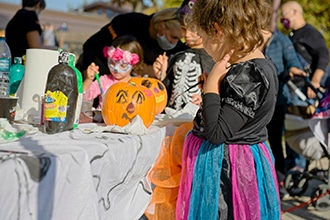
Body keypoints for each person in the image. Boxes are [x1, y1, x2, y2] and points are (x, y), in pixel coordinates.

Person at [176, 0, 281, 219]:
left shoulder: (250, 75)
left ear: (217, 30)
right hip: (226, 167)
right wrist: (213, 91)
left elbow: (217, 133)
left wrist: (213, 85)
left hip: (229, 174)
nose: (203, 44)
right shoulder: (244, 69)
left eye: (204, 37)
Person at [261, 23, 307, 197]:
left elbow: (292, 60)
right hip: (257, 100)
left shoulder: (281, 40)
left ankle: (279, 180)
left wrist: (294, 69)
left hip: (277, 99)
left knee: (276, 142)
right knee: (261, 142)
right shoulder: (251, 39)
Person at [76, 8, 188, 78]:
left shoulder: (177, 48)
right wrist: (88, 73)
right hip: (96, 73)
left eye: (179, 39)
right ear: (161, 25)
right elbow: (92, 44)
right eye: (173, 37)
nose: (174, 42)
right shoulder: (128, 22)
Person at [152, 0, 214, 111]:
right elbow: (167, 91)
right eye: (183, 28)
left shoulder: (212, 58)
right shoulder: (176, 54)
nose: (187, 34)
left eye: (193, 30)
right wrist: (162, 76)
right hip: (170, 116)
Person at [280, 1, 329, 101]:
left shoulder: (309, 33)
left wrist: (315, 81)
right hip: (297, 89)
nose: (282, 19)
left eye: (284, 14)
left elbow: (323, 55)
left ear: (294, 12)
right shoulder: (292, 35)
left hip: (311, 90)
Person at [83, 35, 144, 109]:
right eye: (112, 63)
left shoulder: (138, 84)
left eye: (123, 65)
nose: (116, 68)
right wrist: (88, 80)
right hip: (103, 119)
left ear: (134, 65)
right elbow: (84, 97)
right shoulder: (104, 81)